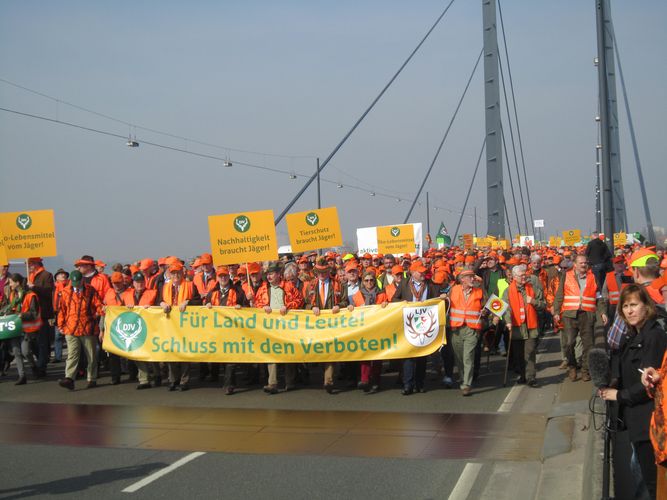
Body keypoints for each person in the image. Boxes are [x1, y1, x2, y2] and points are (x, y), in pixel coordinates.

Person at [600, 284, 667, 499]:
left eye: (634, 305)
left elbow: (649, 384)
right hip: (637, 420)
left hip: (650, 421)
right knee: (645, 476)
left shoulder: (653, 336)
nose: (629, 311)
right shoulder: (633, 335)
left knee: (654, 483)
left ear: (646, 306)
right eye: (625, 306)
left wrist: (618, 395)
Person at [391, 260, 445, 395]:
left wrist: (442, 297)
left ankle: (420, 383)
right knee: (409, 356)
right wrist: (402, 302)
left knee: (422, 355)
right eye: (420, 272)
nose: (423, 274)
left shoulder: (430, 284)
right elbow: (394, 299)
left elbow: (437, 299)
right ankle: (408, 385)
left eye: (424, 272)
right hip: (409, 323)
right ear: (413, 272)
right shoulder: (404, 283)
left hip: (424, 323)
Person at [553, 254, 608, 382]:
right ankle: (572, 366)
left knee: (589, 345)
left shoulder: (592, 277)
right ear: (575, 264)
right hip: (569, 315)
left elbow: (599, 297)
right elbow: (560, 294)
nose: (584, 265)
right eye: (581, 263)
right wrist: (556, 311)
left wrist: (603, 312)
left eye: (585, 263)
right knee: (569, 343)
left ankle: (585, 370)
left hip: (587, 315)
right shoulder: (567, 276)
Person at [252, 262, 304, 394]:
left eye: (271, 274)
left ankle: (290, 382)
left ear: (278, 274)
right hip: (270, 326)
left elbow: (299, 300)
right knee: (271, 353)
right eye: (267, 275)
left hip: (287, 325)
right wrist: (263, 307)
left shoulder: (288, 286)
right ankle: (272, 383)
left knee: (288, 352)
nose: (269, 277)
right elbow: (257, 303)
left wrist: (288, 306)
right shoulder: (263, 288)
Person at [305, 259, 348, 394]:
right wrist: (311, 307)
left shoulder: (338, 284)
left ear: (329, 271)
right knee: (320, 350)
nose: (322, 274)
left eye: (324, 272)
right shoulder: (311, 285)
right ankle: (323, 373)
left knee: (330, 350)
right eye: (319, 272)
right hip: (316, 324)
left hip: (333, 323)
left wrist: (339, 306)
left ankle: (328, 380)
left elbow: (345, 301)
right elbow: (305, 303)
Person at [158, 261, 201, 391]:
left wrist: (188, 302)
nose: (175, 275)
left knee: (184, 353)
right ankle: (173, 380)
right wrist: (162, 303)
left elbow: (198, 301)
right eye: (173, 273)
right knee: (171, 353)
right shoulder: (164, 287)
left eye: (178, 273)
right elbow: (158, 300)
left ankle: (184, 381)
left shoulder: (190, 285)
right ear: (170, 274)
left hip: (185, 325)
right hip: (169, 324)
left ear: (182, 273)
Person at [500, 264, 545, 387]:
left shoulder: (533, 288)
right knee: (519, 354)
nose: (524, 277)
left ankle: (531, 377)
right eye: (521, 276)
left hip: (531, 326)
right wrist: (508, 321)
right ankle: (523, 376)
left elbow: (543, 304)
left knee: (529, 352)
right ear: (514, 277)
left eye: (524, 275)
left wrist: (533, 301)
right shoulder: (508, 291)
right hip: (516, 328)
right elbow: (506, 308)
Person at [57, 270, 103, 390]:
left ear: (82, 280)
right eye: (74, 283)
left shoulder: (90, 290)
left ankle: (92, 378)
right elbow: (62, 309)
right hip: (71, 328)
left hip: (87, 328)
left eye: (78, 283)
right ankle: (69, 378)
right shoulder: (65, 292)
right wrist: (60, 325)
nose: (76, 285)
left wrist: (99, 312)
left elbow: (98, 304)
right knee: (72, 354)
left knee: (91, 355)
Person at [448, 267, 486, 396]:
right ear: (462, 279)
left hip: (472, 329)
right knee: (459, 358)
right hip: (456, 329)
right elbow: (446, 304)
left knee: (468, 357)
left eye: (473, 276)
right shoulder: (453, 290)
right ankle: (463, 377)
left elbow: (487, 306)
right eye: (470, 277)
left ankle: (466, 384)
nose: (473, 279)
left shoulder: (479, 291)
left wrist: (485, 312)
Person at [349, 270, 388, 393]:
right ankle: (365, 379)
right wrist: (351, 307)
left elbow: (389, 309)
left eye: (371, 280)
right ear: (363, 282)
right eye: (366, 280)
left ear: (374, 281)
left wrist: (386, 304)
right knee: (364, 354)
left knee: (377, 356)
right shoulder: (357, 295)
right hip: (364, 329)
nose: (369, 282)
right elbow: (352, 309)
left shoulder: (382, 294)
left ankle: (375, 380)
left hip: (378, 328)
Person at [0, 274, 42, 385]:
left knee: (26, 352)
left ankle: (34, 366)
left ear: (17, 282)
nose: (10, 285)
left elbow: (34, 313)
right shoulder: (12, 295)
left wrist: (22, 315)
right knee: (16, 352)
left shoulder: (31, 295)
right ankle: (22, 376)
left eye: (11, 282)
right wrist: (5, 314)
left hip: (26, 329)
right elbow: (9, 308)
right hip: (14, 328)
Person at [121, 271, 160, 389]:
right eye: (137, 282)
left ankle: (157, 375)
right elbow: (120, 311)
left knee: (152, 354)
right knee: (138, 355)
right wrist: (125, 308)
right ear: (133, 283)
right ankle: (144, 380)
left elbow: (159, 307)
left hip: (150, 328)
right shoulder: (126, 295)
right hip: (135, 329)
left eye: (142, 282)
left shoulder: (153, 293)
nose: (140, 284)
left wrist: (152, 308)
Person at [26, 257, 54, 377]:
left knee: (42, 342)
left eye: (31, 263)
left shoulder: (47, 275)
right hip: (31, 315)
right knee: (33, 343)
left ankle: (41, 366)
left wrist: (34, 287)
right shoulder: (29, 276)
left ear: (37, 264)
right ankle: (42, 361)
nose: (29, 266)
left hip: (42, 314)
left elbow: (48, 292)